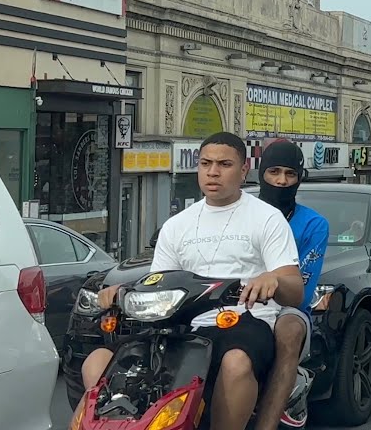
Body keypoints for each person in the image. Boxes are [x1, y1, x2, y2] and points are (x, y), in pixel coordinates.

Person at [72, 132, 304, 430]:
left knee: (236, 362)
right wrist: (124, 291)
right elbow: (159, 283)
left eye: (224, 164)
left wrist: (273, 279)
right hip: (178, 325)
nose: (213, 172)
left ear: (244, 170)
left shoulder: (267, 218)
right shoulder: (176, 225)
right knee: (98, 361)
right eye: (206, 163)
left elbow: (294, 289)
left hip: (242, 320)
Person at [252, 140, 330, 430]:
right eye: (274, 172)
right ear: (261, 173)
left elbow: (302, 292)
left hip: (286, 307)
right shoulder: (239, 211)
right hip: (231, 302)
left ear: (300, 178)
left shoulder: (314, 225)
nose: (281, 181)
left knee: (289, 329)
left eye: (290, 174)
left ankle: (278, 406)